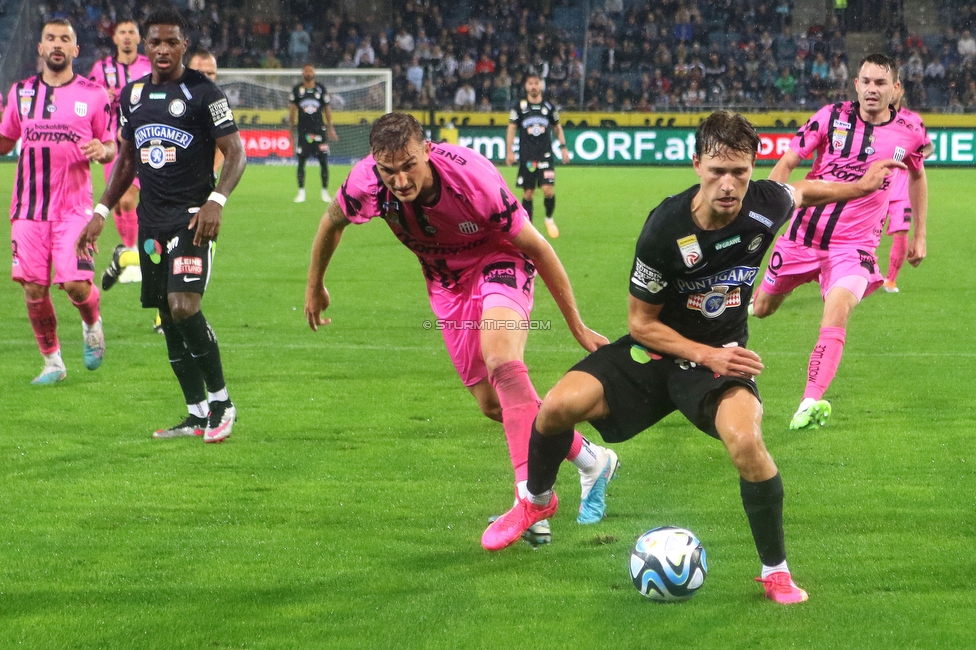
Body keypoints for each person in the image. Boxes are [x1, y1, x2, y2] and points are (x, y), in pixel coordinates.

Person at [481, 110, 903, 603]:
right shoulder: (665, 228)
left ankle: (776, 571)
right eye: (718, 171)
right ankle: (535, 501)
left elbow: (805, 191)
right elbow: (641, 324)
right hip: (658, 350)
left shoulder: (765, 203)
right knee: (555, 407)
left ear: (752, 168)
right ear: (696, 162)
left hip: (719, 361)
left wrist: (862, 187)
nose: (729, 184)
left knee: (747, 442)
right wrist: (708, 354)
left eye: (740, 172)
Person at [305, 112, 617, 543]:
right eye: (388, 170)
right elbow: (330, 223)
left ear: (427, 151)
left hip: (500, 260)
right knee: (494, 404)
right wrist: (315, 284)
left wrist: (577, 326)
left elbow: (539, 249)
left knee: (502, 361)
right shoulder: (366, 182)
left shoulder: (474, 182)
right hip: (446, 284)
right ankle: (591, 460)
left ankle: (531, 499)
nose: (399, 180)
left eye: (409, 165)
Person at [76, 7, 247, 442]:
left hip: (192, 221)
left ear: (184, 45)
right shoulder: (131, 97)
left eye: (172, 42)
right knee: (168, 319)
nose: (164, 49)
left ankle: (223, 403)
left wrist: (216, 201)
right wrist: (100, 212)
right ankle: (196, 413)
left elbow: (236, 152)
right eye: (157, 42)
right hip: (150, 224)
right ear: (146, 47)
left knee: (184, 307)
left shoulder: (204, 91)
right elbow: (127, 161)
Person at [751, 54, 929, 430]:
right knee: (763, 307)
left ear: (895, 89)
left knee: (837, 313)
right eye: (866, 81)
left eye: (881, 83)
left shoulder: (911, 129)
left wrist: (919, 234)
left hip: (855, 248)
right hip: (802, 237)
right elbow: (788, 162)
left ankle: (809, 401)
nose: (872, 89)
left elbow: (917, 176)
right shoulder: (830, 117)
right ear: (856, 84)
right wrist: (766, 210)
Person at [1, 18, 115, 384]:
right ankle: (52, 361)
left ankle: (91, 322)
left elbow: (113, 145)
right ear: (40, 47)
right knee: (34, 287)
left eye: (65, 39)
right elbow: (5, 139)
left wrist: (103, 148)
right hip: (28, 209)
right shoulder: (19, 93)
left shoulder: (94, 95)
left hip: (74, 209)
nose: (57, 44)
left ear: (75, 50)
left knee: (76, 285)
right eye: (50, 38)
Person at [89, 19, 152, 287]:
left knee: (135, 198)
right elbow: (87, 96)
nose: (127, 37)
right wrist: (103, 93)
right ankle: (130, 252)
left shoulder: (149, 66)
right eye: (122, 33)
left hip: (147, 141)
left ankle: (132, 255)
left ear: (139, 39)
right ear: (114, 38)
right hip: (114, 143)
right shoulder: (102, 69)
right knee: (122, 200)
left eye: (131, 33)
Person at [882, 85, 933, 293]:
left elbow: (928, 145)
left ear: (900, 91)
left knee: (901, 232)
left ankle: (890, 280)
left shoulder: (913, 119)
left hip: (902, 186)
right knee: (863, 232)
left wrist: (917, 155)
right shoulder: (873, 117)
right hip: (876, 185)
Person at [506, 73, 570, 239]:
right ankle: (530, 228)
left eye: (536, 83)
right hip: (527, 157)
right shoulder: (519, 107)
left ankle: (549, 218)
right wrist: (509, 151)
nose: (533, 86)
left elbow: (557, 127)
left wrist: (563, 147)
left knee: (548, 190)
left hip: (545, 155)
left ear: (541, 85)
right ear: (526, 86)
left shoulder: (548, 107)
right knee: (528, 193)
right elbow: (511, 128)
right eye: (530, 83)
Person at [289, 64, 338, 203]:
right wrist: (290, 130)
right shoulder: (297, 90)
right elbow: (292, 110)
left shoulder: (321, 89)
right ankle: (301, 192)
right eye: (306, 70)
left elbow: (327, 109)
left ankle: (324, 192)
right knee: (301, 161)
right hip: (303, 131)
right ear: (303, 72)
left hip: (319, 130)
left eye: (311, 70)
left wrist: (330, 127)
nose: (309, 72)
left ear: (314, 72)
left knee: (323, 161)